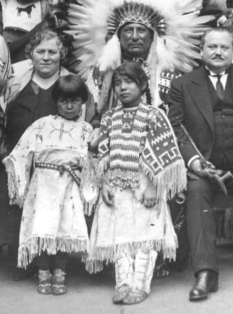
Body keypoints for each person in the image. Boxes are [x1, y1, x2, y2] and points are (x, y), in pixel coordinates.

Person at [168, 27, 233, 301]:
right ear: (202, 51)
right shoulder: (183, 84)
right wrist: (193, 161)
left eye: (224, 47)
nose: (218, 52)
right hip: (204, 165)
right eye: (212, 46)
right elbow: (175, 128)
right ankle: (206, 271)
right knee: (196, 192)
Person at [0, 29, 99, 278]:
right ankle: (24, 257)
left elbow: (91, 120)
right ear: (31, 54)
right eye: (40, 51)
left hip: (61, 167)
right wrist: (5, 156)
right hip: (17, 159)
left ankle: (58, 258)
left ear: (62, 54)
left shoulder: (73, 82)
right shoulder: (15, 79)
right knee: (3, 190)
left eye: (53, 51)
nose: (46, 57)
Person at [86, 62, 186, 305]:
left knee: (145, 234)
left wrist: (154, 186)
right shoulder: (110, 118)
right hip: (117, 183)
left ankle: (141, 283)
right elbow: (104, 154)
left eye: (129, 82)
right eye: (118, 83)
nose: (122, 88)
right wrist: (106, 183)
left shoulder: (154, 115)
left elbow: (166, 154)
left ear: (142, 85)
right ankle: (122, 282)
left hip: (145, 183)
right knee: (119, 231)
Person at [68, 0, 209, 113]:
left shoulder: (170, 75)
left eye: (141, 30)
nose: (135, 37)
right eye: (128, 30)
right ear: (118, 37)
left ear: (153, 36)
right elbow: (91, 114)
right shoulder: (100, 73)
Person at [3, 74, 93, 296]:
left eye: (75, 101)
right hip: (43, 186)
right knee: (43, 229)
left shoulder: (87, 130)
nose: (70, 106)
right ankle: (43, 273)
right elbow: (21, 153)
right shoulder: (41, 125)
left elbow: (92, 163)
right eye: (64, 101)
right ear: (56, 101)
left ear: (83, 102)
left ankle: (60, 273)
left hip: (70, 187)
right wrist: (17, 178)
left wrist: (88, 189)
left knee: (63, 231)